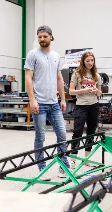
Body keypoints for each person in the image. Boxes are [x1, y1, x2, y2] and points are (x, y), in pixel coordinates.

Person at [24, 25, 70, 179]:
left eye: (45, 36)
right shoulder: (32, 55)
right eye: (39, 37)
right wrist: (32, 100)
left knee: (62, 134)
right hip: (39, 103)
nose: (42, 39)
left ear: (51, 36)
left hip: (54, 103)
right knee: (40, 137)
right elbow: (28, 78)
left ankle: (63, 166)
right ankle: (42, 168)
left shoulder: (56, 56)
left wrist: (63, 99)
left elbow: (59, 78)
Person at [68, 52, 102, 169]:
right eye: (88, 61)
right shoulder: (76, 74)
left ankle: (86, 160)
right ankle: (73, 160)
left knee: (91, 132)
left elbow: (100, 92)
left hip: (94, 105)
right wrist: (84, 90)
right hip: (81, 105)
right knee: (77, 132)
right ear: (83, 61)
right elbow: (71, 91)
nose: (90, 63)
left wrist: (95, 91)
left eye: (92, 60)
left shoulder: (96, 75)